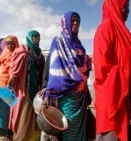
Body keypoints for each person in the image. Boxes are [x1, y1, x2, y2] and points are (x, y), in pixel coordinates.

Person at [93, 0, 131, 140]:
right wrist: (129, 78)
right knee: (112, 135)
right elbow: (103, 68)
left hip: (127, 97)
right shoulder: (105, 29)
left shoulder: (121, 30)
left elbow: (122, 52)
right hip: (113, 100)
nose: (128, 10)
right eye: (125, 7)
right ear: (115, 7)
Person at [42, 11, 91, 141]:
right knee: (69, 129)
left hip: (80, 96)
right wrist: (48, 93)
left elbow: (84, 69)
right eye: (72, 20)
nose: (75, 23)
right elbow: (54, 71)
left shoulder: (79, 45)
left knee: (80, 131)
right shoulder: (58, 42)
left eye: (78, 21)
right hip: (66, 96)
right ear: (65, 23)